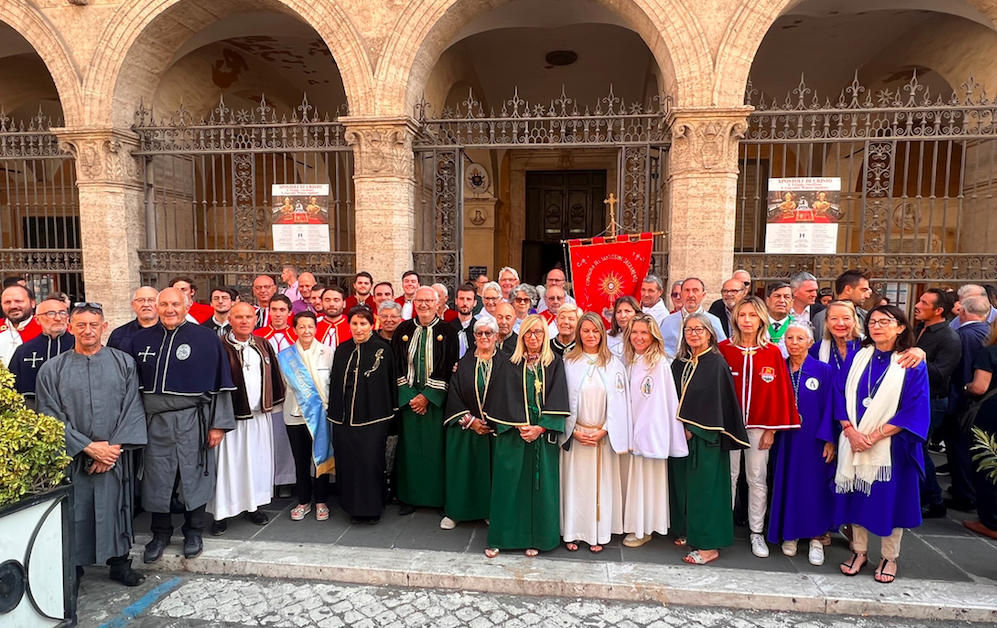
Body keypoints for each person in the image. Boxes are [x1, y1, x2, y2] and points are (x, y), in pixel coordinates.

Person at [36, 303, 147, 589]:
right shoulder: (52, 369)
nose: (88, 330)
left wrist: (111, 449)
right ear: (71, 327)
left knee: (116, 507)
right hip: (74, 458)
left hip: (114, 456)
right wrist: (87, 447)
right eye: (81, 325)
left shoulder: (123, 362)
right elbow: (49, 415)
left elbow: (132, 407)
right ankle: (74, 568)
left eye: (94, 325)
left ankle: (120, 563)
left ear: (104, 326)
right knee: (76, 511)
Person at [130, 288, 236, 563]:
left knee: (193, 475)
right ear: (156, 306)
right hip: (154, 422)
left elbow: (220, 385)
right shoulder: (139, 340)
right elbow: (129, 390)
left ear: (187, 306)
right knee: (156, 478)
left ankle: (193, 532)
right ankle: (160, 534)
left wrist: (218, 426)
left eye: (175, 304)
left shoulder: (206, 338)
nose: (169, 309)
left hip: (193, 419)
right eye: (163, 304)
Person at [835, 305, 930, 583]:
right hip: (853, 440)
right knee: (856, 496)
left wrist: (874, 437)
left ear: (900, 327)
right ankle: (859, 551)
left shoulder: (911, 362)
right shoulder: (857, 356)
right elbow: (838, 393)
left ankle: (889, 557)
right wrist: (850, 431)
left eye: (885, 322)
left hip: (892, 447)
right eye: (873, 322)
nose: (877, 327)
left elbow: (914, 407)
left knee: (890, 502)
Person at [718, 296, 800, 558]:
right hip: (728, 428)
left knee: (757, 479)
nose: (747, 320)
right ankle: (722, 529)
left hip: (759, 427)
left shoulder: (773, 352)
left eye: (753, 315)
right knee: (727, 478)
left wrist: (771, 429)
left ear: (761, 319)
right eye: (742, 315)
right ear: (735, 319)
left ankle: (756, 532)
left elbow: (780, 392)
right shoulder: (723, 349)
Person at [483, 314, 569, 557]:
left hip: (542, 437)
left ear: (545, 336)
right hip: (513, 436)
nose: (533, 337)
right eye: (529, 333)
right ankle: (502, 538)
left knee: (540, 489)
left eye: (538, 333)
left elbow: (558, 396)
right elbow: (499, 400)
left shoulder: (554, 363)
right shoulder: (509, 363)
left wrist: (540, 427)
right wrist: (520, 426)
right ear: (522, 336)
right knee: (508, 487)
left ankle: (537, 539)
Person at [670, 313, 749, 565]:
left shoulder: (716, 363)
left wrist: (694, 428)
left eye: (699, 330)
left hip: (706, 439)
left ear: (710, 333)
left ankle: (709, 546)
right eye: (689, 330)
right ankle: (691, 531)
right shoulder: (680, 363)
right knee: (685, 490)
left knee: (706, 492)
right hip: (680, 438)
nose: (693, 334)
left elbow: (719, 403)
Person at [210, 302, 284, 534]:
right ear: (229, 319)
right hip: (230, 419)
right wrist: (215, 422)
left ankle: (253, 506)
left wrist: (270, 405)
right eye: (239, 317)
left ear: (255, 319)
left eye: (249, 317)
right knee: (228, 467)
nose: (244, 321)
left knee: (255, 464)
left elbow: (274, 377)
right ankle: (221, 513)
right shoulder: (218, 346)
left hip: (258, 417)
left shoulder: (263, 344)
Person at [767, 322, 836, 566]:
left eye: (799, 339)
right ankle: (791, 534)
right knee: (787, 483)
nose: (794, 343)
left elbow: (831, 407)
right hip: (786, 438)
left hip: (814, 439)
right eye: (789, 338)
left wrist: (829, 439)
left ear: (810, 342)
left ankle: (816, 536)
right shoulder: (778, 369)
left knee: (814, 485)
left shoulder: (824, 370)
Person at [560, 312, 628, 553]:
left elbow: (621, 403)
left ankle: (596, 532)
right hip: (576, 436)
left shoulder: (614, 364)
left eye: (595, 331)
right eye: (586, 330)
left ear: (602, 333)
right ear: (579, 333)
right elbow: (561, 401)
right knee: (575, 486)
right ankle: (573, 531)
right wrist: (574, 430)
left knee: (599, 486)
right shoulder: (568, 362)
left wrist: (605, 430)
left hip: (601, 438)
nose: (591, 335)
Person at [621, 312, 689, 548]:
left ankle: (643, 528)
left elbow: (661, 403)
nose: (639, 338)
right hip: (629, 432)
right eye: (635, 333)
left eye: (644, 333)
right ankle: (630, 523)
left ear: (653, 336)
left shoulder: (658, 363)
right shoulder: (627, 360)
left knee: (644, 482)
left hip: (647, 434)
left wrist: (643, 433)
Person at [392, 286, 459, 514]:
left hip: (434, 402)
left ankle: (437, 498)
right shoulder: (403, 329)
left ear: (437, 302)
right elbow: (397, 365)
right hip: (409, 401)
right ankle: (408, 497)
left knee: (435, 450)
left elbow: (448, 366)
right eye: (419, 300)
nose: (423, 305)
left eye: (428, 301)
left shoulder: (448, 332)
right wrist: (412, 397)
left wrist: (427, 397)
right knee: (409, 449)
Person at [328, 306, 398, 524]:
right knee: (348, 463)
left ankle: (372, 508)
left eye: (363, 324)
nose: (358, 329)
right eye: (355, 324)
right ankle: (351, 507)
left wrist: (392, 413)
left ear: (372, 324)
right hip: (344, 419)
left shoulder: (383, 349)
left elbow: (389, 383)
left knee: (370, 463)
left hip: (373, 418)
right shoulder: (342, 349)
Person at [440, 317, 502, 530]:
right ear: (474, 337)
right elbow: (454, 394)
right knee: (462, 471)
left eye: (488, 333)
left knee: (492, 473)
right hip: (465, 429)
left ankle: (488, 511)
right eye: (479, 333)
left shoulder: (507, 362)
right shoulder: (463, 363)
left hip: (495, 429)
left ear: (496, 336)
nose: (484, 337)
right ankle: (456, 512)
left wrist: (494, 421)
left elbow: (511, 394)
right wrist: (471, 421)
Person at [279, 311, 335, 522]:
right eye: (301, 327)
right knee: (300, 460)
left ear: (315, 328)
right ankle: (303, 500)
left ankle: (321, 500)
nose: (306, 331)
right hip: (294, 415)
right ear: (294, 330)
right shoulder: (285, 356)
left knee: (320, 457)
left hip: (321, 415)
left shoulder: (328, 352)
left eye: (310, 326)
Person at [912, 289, 962, 519]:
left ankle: (933, 500)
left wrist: (918, 359)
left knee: (920, 449)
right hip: (914, 398)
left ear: (938, 310)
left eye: (924, 302)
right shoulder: (919, 329)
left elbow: (940, 374)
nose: (917, 305)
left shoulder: (949, 338)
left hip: (932, 402)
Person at [945, 296, 991, 514]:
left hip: (967, 402)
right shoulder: (986, 333)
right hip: (984, 405)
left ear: (962, 311)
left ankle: (965, 494)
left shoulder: (963, 335)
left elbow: (962, 373)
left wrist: (961, 394)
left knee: (959, 448)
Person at [964, 320, 997, 541]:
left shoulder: (990, 352)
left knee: (986, 462)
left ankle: (990, 521)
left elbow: (979, 387)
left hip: (991, 414)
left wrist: (966, 387)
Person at [10, 297, 74, 410]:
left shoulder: (79, 346)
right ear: (37, 319)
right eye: (51, 313)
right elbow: (12, 387)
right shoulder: (24, 351)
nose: (58, 318)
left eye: (62, 313)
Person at [660, 278, 727, 360]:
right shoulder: (668, 321)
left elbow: (721, 349)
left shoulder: (713, 321)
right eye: (687, 290)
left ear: (703, 295)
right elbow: (660, 347)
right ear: (681, 295)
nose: (691, 295)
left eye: (695, 290)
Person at [811, 270, 873, 341]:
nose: (867, 296)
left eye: (846, 318)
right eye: (863, 290)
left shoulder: (866, 316)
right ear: (848, 289)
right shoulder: (821, 318)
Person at [810, 300, 863, 371]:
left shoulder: (867, 346)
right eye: (834, 318)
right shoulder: (816, 350)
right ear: (827, 322)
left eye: (846, 318)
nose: (840, 323)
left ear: (854, 321)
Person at [108, 286, 159, 352]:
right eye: (140, 300)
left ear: (159, 304)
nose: (146, 304)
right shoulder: (118, 335)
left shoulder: (170, 332)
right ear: (133, 305)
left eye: (151, 300)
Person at [0, 284, 39, 367]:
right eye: (7, 302)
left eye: (18, 301)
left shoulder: (43, 329)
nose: (13, 306)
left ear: (32, 303)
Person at [765, 281, 794, 357]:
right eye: (777, 296)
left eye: (786, 297)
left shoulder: (799, 327)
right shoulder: (757, 324)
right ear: (767, 301)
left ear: (792, 303)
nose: (781, 300)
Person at [450, 283, 477, 358]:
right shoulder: (448, 328)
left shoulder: (479, 329)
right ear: (456, 301)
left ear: (475, 303)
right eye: (461, 299)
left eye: (469, 299)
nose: (465, 303)